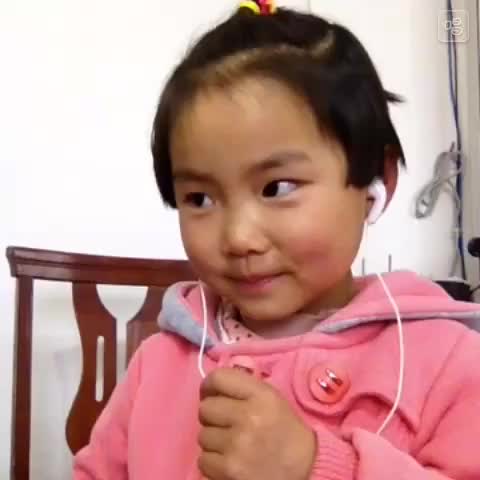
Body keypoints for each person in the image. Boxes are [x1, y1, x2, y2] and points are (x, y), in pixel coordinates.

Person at [73, 1, 480, 478]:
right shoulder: (158, 364)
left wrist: (316, 466)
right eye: (200, 198)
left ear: (376, 182)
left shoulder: (447, 361)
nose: (239, 238)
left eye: (277, 188)